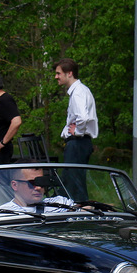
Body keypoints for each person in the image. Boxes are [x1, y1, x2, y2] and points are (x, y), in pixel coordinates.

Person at [53, 58, 98, 199]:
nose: (56, 77)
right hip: (79, 142)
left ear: (69, 73)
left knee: (74, 185)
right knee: (72, 182)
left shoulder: (78, 92)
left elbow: (83, 117)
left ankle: (79, 213)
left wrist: (77, 131)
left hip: (78, 142)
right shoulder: (81, 90)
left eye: (59, 73)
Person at [0, 167, 83, 214]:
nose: (38, 188)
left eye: (41, 182)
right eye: (32, 183)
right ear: (15, 185)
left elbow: (87, 209)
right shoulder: (3, 213)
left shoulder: (59, 204)